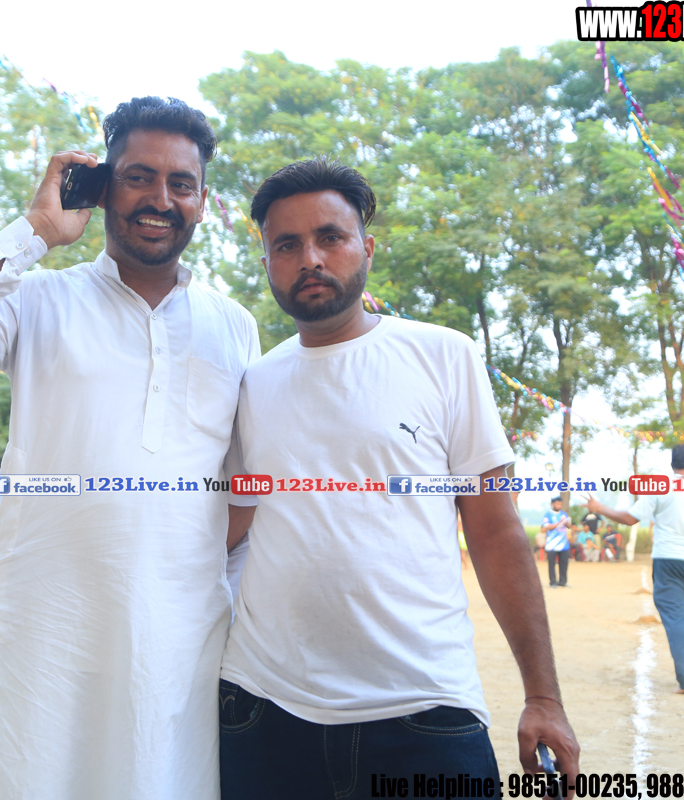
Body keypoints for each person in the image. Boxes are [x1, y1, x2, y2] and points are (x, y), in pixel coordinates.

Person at [0, 97, 259, 800]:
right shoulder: (34, 299)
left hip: (178, 642)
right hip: (40, 632)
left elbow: (244, 486)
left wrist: (176, 571)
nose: (160, 199)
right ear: (102, 186)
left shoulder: (233, 326)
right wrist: (34, 234)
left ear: (202, 201)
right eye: (138, 177)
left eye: (181, 183)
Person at [218, 158, 579, 799]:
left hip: (425, 712)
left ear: (367, 247)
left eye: (330, 236)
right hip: (264, 713)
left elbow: (495, 531)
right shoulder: (253, 383)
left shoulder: (444, 356)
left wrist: (543, 697)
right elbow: (231, 523)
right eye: (287, 244)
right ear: (267, 261)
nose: (310, 258)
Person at [586, 444, 684, 694]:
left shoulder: (659, 486)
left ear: (672, 465)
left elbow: (630, 518)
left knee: (675, 618)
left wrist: (600, 508)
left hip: (668, 562)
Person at [541, 497, 573, 587]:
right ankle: (553, 582)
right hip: (552, 544)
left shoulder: (563, 514)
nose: (559, 506)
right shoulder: (548, 514)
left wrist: (566, 522)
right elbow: (547, 527)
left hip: (564, 544)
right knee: (551, 564)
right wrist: (559, 523)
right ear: (553, 504)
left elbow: (569, 526)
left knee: (564, 564)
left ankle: (563, 582)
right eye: (558, 504)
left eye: (560, 504)